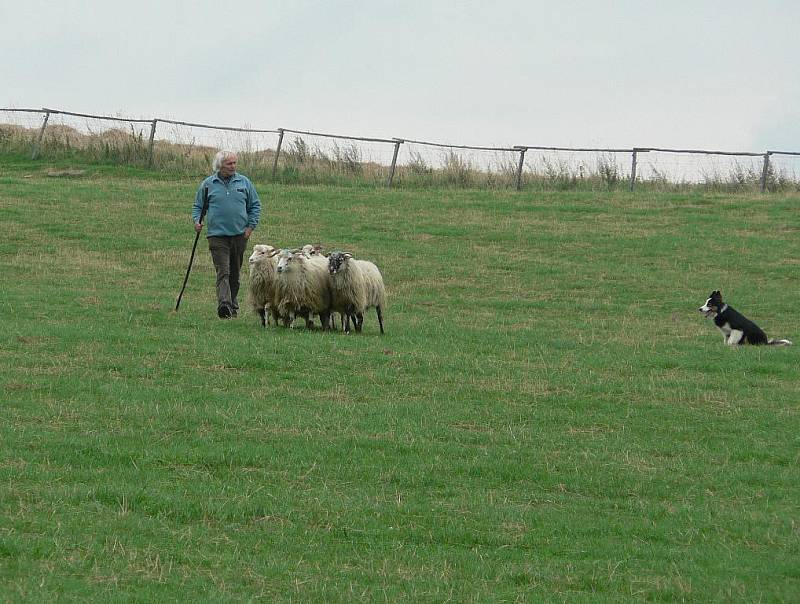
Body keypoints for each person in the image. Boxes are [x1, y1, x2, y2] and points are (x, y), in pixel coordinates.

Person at [192, 150, 261, 318]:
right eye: (230, 163)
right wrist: (197, 221)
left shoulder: (244, 182)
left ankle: (232, 304)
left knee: (235, 274)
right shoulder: (208, 184)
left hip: (239, 235)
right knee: (223, 271)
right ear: (220, 165)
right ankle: (224, 304)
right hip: (217, 236)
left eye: (235, 163)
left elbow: (255, 206)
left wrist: (250, 228)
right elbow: (198, 207)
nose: (233, 166)